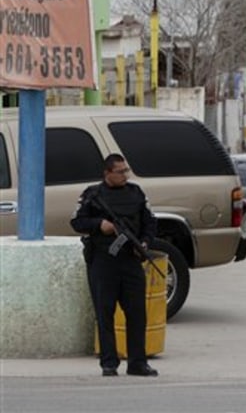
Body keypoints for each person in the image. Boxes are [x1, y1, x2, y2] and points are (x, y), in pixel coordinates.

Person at [70, 153, 159, 377]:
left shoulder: (136, 193)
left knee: (137, 314)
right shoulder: (93, 195)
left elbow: (150, 222)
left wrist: (145, 242)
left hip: (130, 260)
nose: (124, 176)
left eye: (125, 171)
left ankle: (137, 363)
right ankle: (109, 363)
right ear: (107, 173)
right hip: (103, 261)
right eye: (120, 172)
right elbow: (77, 222)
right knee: (105, 313)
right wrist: (99, 224)